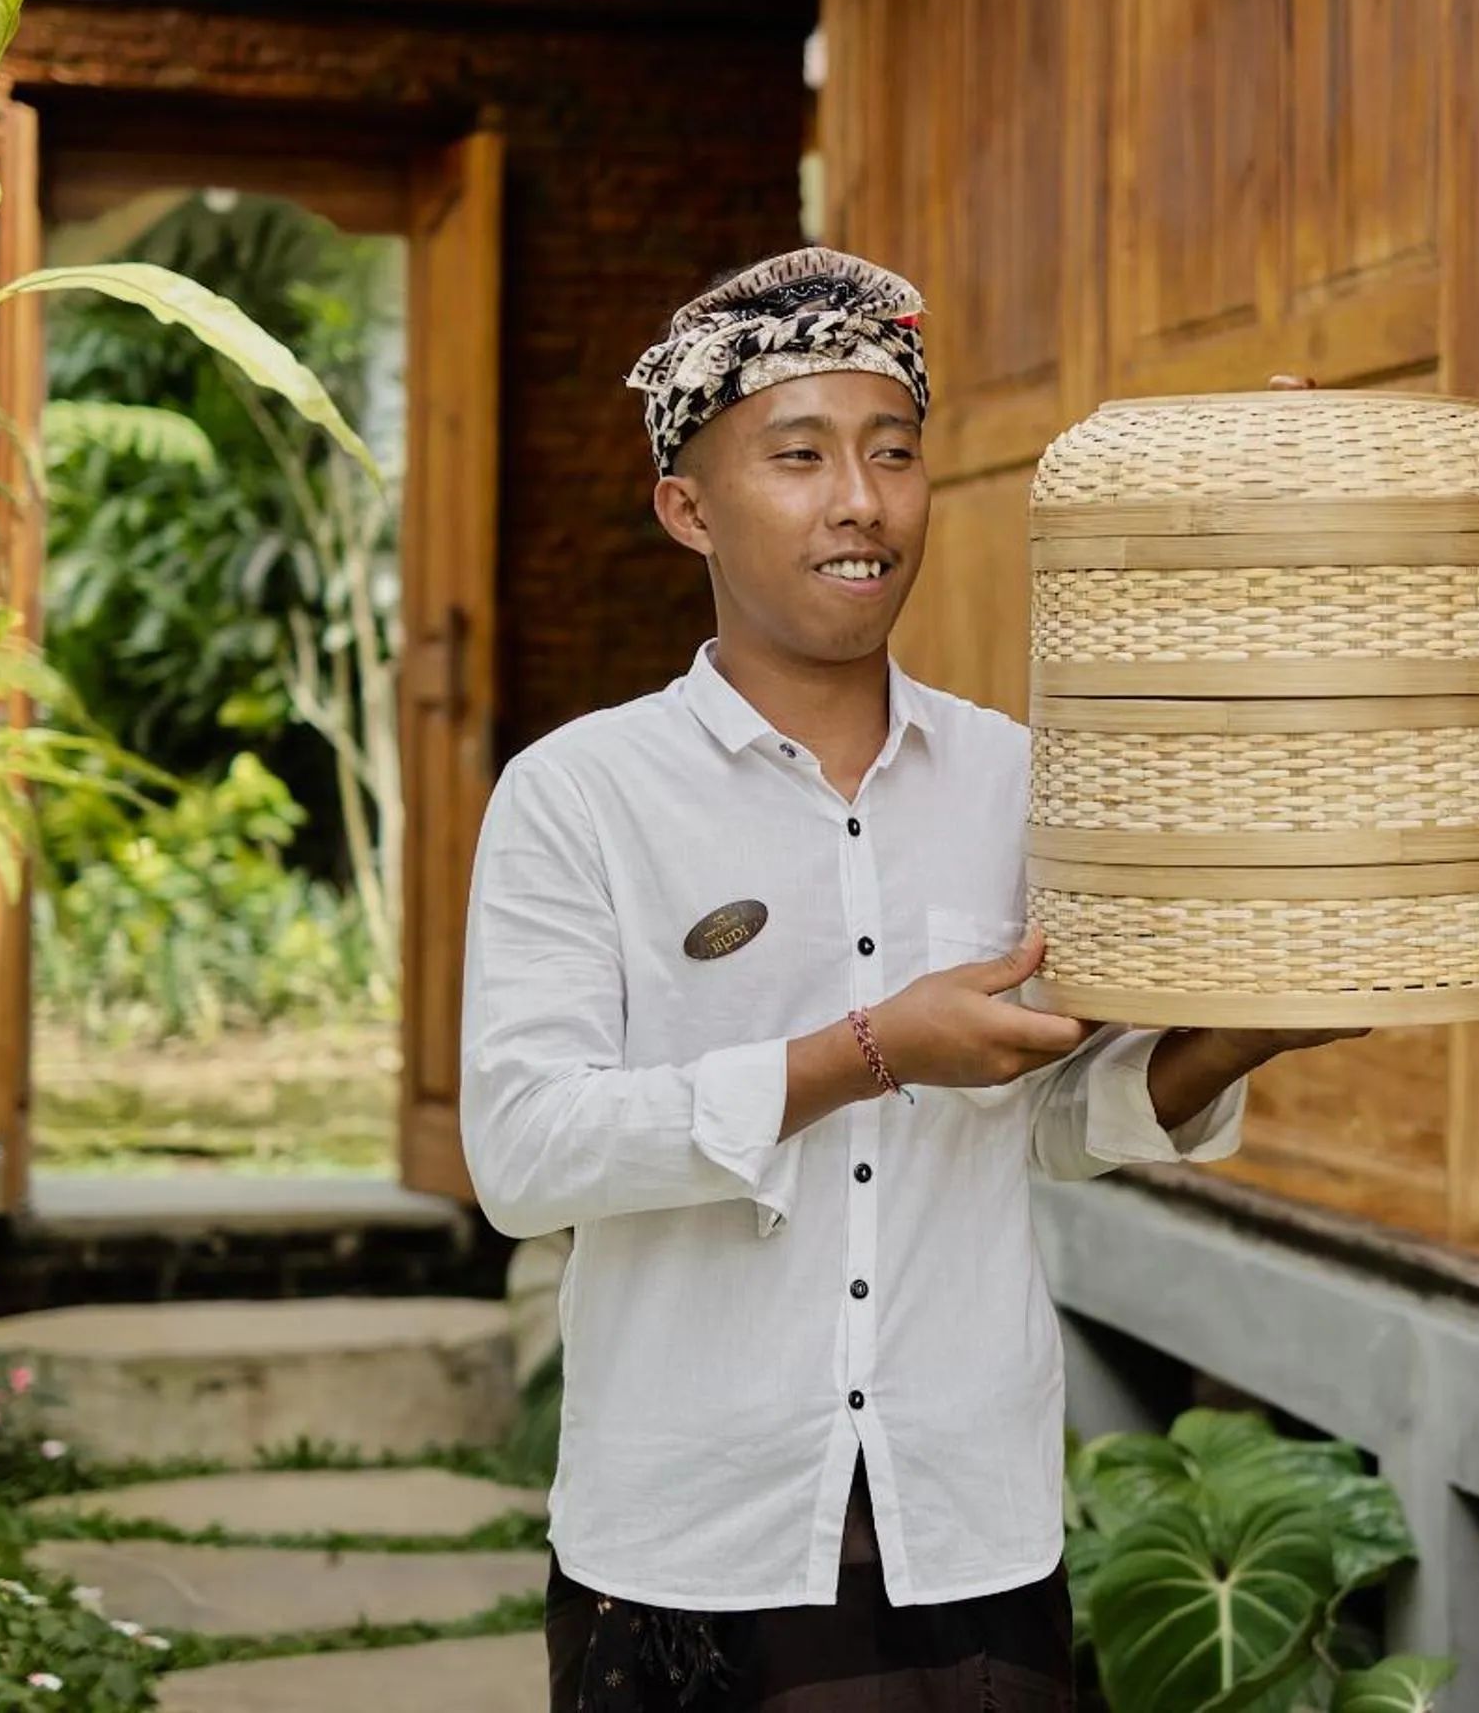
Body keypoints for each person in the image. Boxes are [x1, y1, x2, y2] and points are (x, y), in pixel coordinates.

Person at [457, 247, 1358, 1712]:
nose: (860, 501)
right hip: (694, 1541)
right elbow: (525, 1151)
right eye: (798, 457)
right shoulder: (581, 795)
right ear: (688, 505)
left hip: (973, 1522)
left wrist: (1236, 1038)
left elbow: (1046, 1115)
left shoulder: (1021, 777)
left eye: (893, 453)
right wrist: (864, 1049)